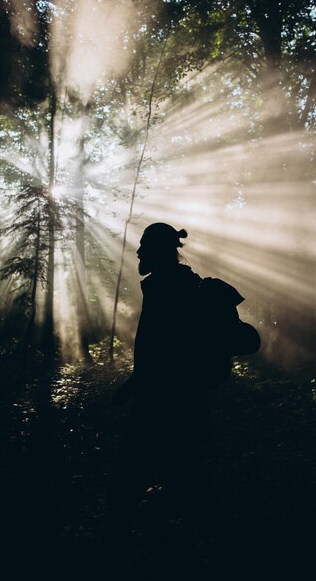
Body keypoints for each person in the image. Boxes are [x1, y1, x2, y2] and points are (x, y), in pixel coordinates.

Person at [105, 222, 225, 544]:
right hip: (182, 400)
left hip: (165, 403)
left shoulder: (166, 289)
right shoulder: (177, 284)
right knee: (189, 474)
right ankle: (217, 543)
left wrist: (135, 387)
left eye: (145, 245)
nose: (139, 251)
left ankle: (109, 547)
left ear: (158, 250)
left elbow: (164, 352)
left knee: (133, 476)